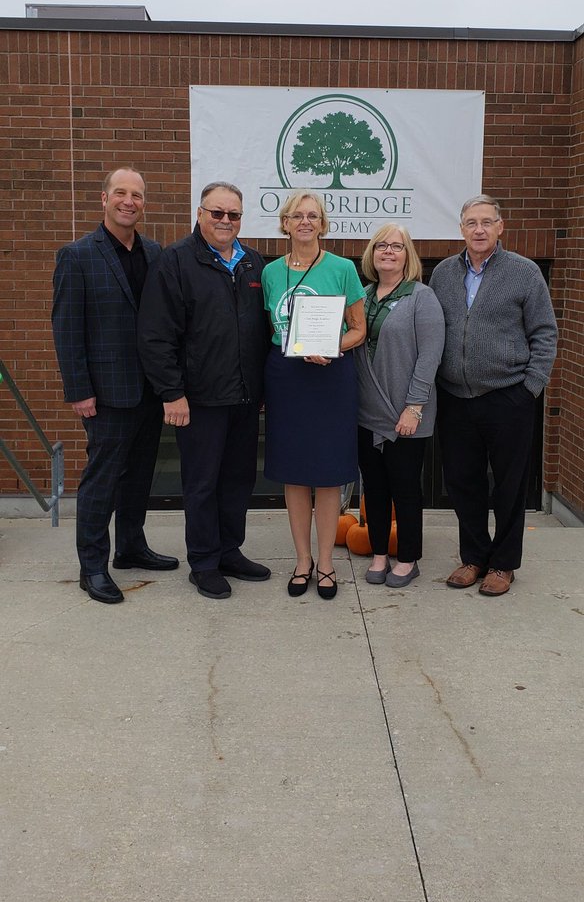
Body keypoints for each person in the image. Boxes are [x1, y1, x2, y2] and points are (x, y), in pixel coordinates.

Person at [137, 182, 270, 600]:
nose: (225, 221)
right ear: (200, 213)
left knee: (238, 480)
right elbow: (157, 335)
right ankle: (205, 562)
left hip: (245, 398)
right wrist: (171, 393)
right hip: (198, 400)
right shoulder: (175, 261)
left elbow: (264, 329)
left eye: (234, 215)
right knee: (202, 483)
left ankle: (230, 550)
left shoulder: (253, 263)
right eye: (218, 213)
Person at [52, 166, 178, 606]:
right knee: (101, 481)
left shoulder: (155, 252)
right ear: (103, 199)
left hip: (148, 389)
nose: (129, 201)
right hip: (104, 393)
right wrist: (78, 390)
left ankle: (130, 547)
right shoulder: (78, 255)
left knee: (140, 475)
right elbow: (66, 328)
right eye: (121, 193)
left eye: (137, 195)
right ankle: (92, 567)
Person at [429, 195, 558, 596]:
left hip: (508, 397)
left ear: (500, 227)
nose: (479, 229)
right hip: (455, 398)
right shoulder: (445, 274)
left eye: (487, 222)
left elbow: (545, 333)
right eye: (471, 222)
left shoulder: (525, 273)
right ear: (461, 229)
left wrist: (530, 388)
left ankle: (502, 564)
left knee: (508, 485)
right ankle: (473, 558)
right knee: (463, 482)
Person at [261, 190, 366, 600]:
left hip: (330, 376)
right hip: (287, 378)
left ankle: (326, 563)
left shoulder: (342, 269)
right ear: (284, 223)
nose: (305, 222)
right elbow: (269, 326)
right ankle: (301, 561)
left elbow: (358, 328)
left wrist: (334, 346)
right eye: (296, 216)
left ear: (323, 224)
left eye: (313, 216)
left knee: (326, 473)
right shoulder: (270, 273)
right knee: (293, 471)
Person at [355, 224, 445, 588]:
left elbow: (430, 356)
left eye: (396, 246)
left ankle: (407, 558)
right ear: (372, 254)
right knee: (373, 488)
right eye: (381, 246)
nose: (388, 251)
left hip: (405, 413)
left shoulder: (421, 297)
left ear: (407, 255)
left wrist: (415, 406)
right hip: (366, 411)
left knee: (405, 487)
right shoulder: (362, 295)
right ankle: (379, 553)